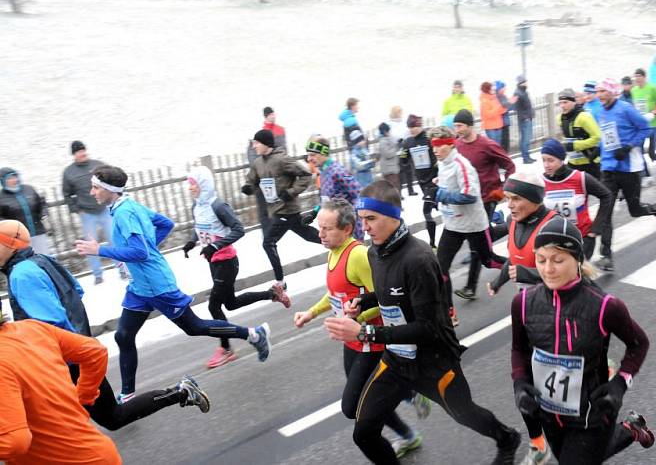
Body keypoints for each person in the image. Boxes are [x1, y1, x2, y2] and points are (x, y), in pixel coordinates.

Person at [323, 180, 521, 465]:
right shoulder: (374, 251)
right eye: (362, 219)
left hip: (433, 360)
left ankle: (507, 437)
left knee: (464, 414)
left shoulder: (419, 259)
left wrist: (365, 332)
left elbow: (426, 328)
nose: (363, 227)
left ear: (393, 216)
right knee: (363, 432)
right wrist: (363, 302)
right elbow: (387, 292)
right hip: (397, 359)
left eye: (371, 219)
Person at [75, 165, 272, 401]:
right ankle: (127, 395)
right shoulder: (127, 206)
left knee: (194, 327)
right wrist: (148, 248)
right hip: (139, 287)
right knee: (123, 336)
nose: (91, 191)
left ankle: (254, 335)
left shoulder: (126, 213)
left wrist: (101, 250)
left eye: (96, 187)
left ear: (110, 190)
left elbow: (139, 252)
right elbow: (166, 224)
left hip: (157, 286)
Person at [0, 220, 211, 430]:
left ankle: (181, 392)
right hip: (80, 348)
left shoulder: (22, 275)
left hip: (66, 361)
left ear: (10, 244)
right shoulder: (42, 261)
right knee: (107, 417)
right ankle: (181, 391)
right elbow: (76, 291)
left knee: (83, 422)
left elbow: (49, 323)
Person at [510, 216, 654, 465]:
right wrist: (520, 384)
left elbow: (639, 343)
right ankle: (631, 429)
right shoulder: (522, 303)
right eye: (541, 260)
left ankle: (623, 429)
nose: (547, 269)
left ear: (577, 260)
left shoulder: (605, 306)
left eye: (558, 260)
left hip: (593, 415)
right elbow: (519, 349)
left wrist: (619, 385)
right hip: (549, 414)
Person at [293, 199, 428, 458]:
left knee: (356, 405)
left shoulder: (357, 255)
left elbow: (384, 297)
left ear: (347, 229)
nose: (320, 233)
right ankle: (408, 435)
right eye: (319, 227)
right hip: (352, 341)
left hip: (372, 342)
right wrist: (311, 313)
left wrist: (357, 319)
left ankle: (410, 391)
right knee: (365, 402)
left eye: (327, 228)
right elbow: (336, 294)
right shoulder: (333, 251)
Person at [184, 165, 290, 369]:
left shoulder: (218, 206)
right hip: (214, 262)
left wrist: (215, 245)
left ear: (203, 185)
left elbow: (239, 230)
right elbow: (201, 228)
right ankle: (272, 294)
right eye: (189, 186)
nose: (190, 189)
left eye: (193, 185)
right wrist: (191, 241)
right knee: (230, 303)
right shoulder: (197, 206)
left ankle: (226, 349)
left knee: (213, 306)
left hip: (227, 262)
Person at [0, 316, 123, 465]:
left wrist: (83, 397)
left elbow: (15, 441)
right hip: (99, 454)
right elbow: (95, 351)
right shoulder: (32, 328)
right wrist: (83, 396)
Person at [428, 126, 504, 321]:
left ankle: (524, 267)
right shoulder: (442, 163)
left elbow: (470, 195)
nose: (435, 150)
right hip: (453, 225)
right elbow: (445, 187)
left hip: (473, 225)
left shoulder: (462, 165)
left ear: (450, 144)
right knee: (439, 268)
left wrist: (442, 194)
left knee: (489, 261)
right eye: (433, 145)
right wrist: (436, 195)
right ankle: (449, 312)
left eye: (439, 145)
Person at [595, 78, 656, 272]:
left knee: (634, 209)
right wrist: (598, 151)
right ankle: (606, 256)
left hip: (629, 168)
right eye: (598, 91)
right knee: (606, 212)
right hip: (609, 168)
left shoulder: (625, 109)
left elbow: (646, 128)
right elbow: (606, 137)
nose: (599, 95)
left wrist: (629, 147)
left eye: (603, 91)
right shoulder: (601, 112)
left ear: (612, 92)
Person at [242, 129, 321, 287]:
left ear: (265, 143)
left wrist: (291, 192)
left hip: (287, 209)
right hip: (278, 211)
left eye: (257, 143)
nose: (254, 146)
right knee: (309, 235)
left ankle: (280, 281)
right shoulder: (258, 163)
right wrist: (249, 187)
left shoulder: (282, 159)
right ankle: (339, 243)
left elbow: (305, 175)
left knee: (268, 243)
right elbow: (252, 179)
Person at [452, 110, 515, 300]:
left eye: (460, 126)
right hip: (468, 202)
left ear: (470, 125)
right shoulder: (456, 145)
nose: (457, 130)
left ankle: (470, 287)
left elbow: (509, 165)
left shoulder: (486, 144)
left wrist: (504, 187)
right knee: (481, 239)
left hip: (487, 199)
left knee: (477, 243)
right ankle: (511, 226)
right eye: (455, 126)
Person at [540, 139, 613, 261]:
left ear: (561, 159)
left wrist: (595, 229)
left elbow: (607, 196)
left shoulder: (580, 178)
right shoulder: (540, 181)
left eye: (551, 160)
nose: (546, 165)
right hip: (553, 241)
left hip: (581, 239)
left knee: (575, 276)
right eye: (544, 160)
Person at [487, 170, 558, 296]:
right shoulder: (512, 221)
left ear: (534, 200)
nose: (509, 205)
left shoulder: (554, 226)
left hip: (557, 299)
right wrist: (497, 283)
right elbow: (515, 258)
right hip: (529, 298)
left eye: (516, 199)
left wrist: (527, 274)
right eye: (507, 198)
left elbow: (574, 272)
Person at [62, 141, 115, 284]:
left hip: (104, 209)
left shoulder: (98, 165)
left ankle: (123, 269)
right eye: (78, 151)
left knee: (114, 240)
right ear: (74, 154)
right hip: (87, 214)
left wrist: (111, 201)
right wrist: (77, 210)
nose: (82, 153)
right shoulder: (68, 172)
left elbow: (111, 181)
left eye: (83, 150)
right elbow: (67, 194)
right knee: (90, 245)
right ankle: (98, 275)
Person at [306, 135, 364, 240]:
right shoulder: (323, 171)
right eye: (308, 155)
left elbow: (358, 194)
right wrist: (315, 211)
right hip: (335, 229)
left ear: (323, 152)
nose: (309, 158)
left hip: (348, 230)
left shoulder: (337, 171)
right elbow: (328, 198)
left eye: (312, 155)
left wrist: (353, 222)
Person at [402, 114, 438, 248]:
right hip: (422, 183)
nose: (412, 130)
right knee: (445, 210)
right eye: (410, 127)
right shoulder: (408, 142)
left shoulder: (428, 139)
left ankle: (433, 244)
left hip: (434, 181)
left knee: (426, 211)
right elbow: (403, 159)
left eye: (414, 126)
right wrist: (402, 153)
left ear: (420, 125)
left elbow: (438, 155)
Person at [630, 68, 656, 178]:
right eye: (635, 76)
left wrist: (655, 112)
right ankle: (647, 176)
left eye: (639, 76)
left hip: (653, 125)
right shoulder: (634, 90)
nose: (637, 78)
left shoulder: (653, 87)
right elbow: (635, 106)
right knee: (639, 151)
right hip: (641, 126)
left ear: (644, 77)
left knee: (651, 154)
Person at [0, 167, 49, 254]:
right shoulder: (1, 197)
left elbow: (41, 204)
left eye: (15, 176)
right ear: (3, 181)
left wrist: (44, 213)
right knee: (28, 262)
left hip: (38, 232)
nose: (14, 180)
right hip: (19, 238)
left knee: (44, 258)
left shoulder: (29, 189)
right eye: (10, 178)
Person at [557, 88, 602, 179]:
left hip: (590, 163)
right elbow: (565, 138)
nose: (562, 106)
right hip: (572, 163)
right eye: (560, 103)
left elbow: (597, 137)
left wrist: (575, 145)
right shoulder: (559, 118)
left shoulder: (584, 116)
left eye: (565, 102)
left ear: (574, 102)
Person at [388, 106, 418, 197]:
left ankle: (410, 189)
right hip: (398, 146)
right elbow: (392, 135)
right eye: (399, 112)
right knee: (401, 169)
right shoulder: (390, 123)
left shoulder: (403, 122)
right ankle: (400, 192)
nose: (401, 114)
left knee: (408, 167)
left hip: (405, 145)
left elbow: (407, 132)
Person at [514, 75, 536, 164]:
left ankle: (528, 156)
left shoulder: (523, 92)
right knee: (525, 139)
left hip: (528, 118)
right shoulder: (518, 93)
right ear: (521, 83)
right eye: (525, 82)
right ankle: (525, 158)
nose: (527, 83)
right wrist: (525, 117)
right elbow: (517, 107)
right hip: (524, 120)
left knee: (527, 139)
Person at [479, 81, 506, 146]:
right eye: (492, 89)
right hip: (490, 128)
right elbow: (489, 115)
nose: (494, 90)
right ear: (487, 90)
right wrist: (499, 107)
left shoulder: (494, 98)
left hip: (498, 125)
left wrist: (505, 106)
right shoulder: (484, 101)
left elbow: (501, 111)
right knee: (494, 146)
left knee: (498, 146)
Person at [377, 122, 401, 191]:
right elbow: (388, 154)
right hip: (389, 170)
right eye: (389, 131)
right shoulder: (382, 142)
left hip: (392, 168)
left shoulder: (387, 139)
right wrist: (396, 147)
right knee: (393, 188)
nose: (390, 132)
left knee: (396, 187)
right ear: (385, 131)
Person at [496, 80, 513, 152]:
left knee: (506, 143)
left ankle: (506, 157)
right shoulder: (496, 97)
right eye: (503, 87)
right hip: (500, 124)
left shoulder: (504, 96)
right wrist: (508, 104)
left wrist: (510, 103)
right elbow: (503, 107)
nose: (505, 89)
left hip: (506, 123)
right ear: (499, 88)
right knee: (502, 144)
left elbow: (509, 106)